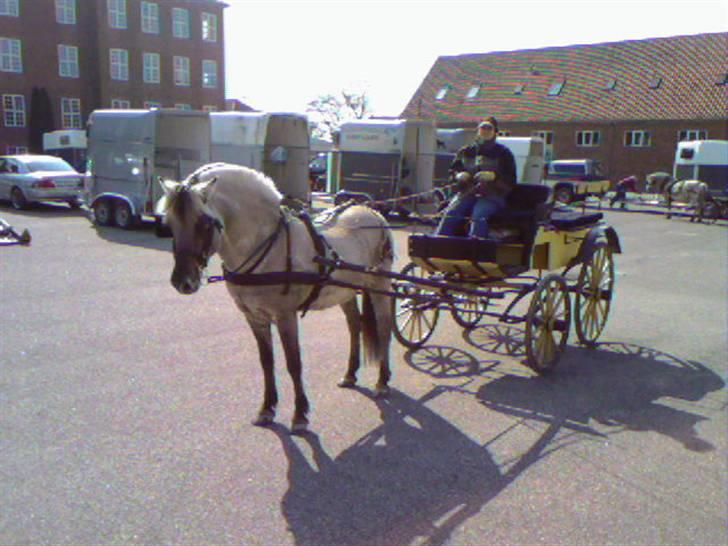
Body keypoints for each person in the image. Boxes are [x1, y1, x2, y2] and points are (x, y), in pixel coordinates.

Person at [435, 117, 517, 238]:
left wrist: (494, 177)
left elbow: (511, 180)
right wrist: (458, 175)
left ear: (495, 132)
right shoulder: (466, 151)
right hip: (467, 193)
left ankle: (476, 247)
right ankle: (438, 243)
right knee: (450, 213)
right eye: (483, 128)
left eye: (489, 128)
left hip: (493, 196)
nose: (485, 131)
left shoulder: (504, 153)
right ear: (478, 131)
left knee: (478, 215)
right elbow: (452, 172)